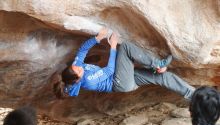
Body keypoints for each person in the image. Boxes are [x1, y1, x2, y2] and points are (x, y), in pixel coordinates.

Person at [62, 28, 195, 100]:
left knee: (162, 77)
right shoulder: (88, 81)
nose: (80, 67)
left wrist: (97, 38)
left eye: (77, 67)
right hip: (119, 83)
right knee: (125, 47)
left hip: (125, 77)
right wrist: (113, 46)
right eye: (79, 71)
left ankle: (193, 96)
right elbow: (109, 70)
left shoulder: (76, 66)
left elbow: (82, 50)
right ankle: (157, 64)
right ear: (78, 79)